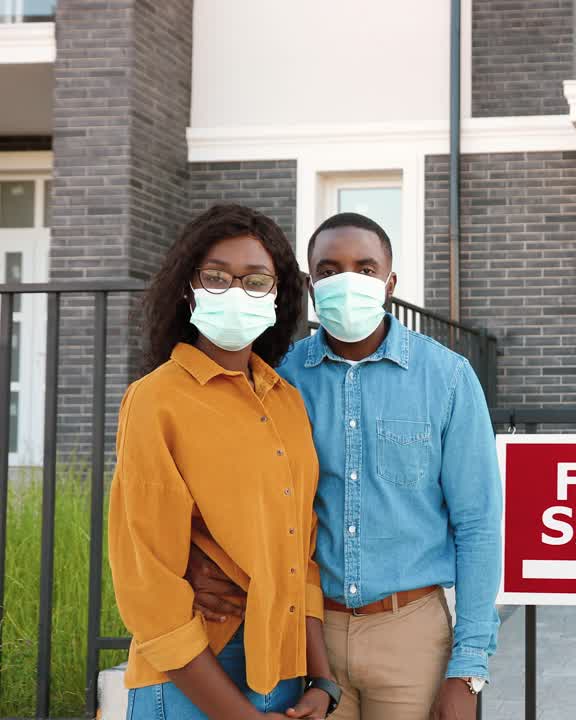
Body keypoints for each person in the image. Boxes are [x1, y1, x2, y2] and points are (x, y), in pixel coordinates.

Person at [185, 212, 502, 720]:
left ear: (390, 283)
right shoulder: (279, 379)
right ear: (311, 285)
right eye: (330, 270)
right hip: (306, 634)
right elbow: (238, 498)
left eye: (366, 268)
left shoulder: (447, 378)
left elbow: (479, 524)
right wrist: (195, 563)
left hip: (411, 634)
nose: (347, 281)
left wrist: (467, 669)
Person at [109, 204, 339, 720]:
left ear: (277, 296)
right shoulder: (156, 400)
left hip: (282, 669)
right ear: (188, 287)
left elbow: (299, 554)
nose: (236, 293)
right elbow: (149, 585)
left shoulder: (285, 401)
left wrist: (322, 680)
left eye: (256, 281)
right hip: (192, 676)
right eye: (217, 277)